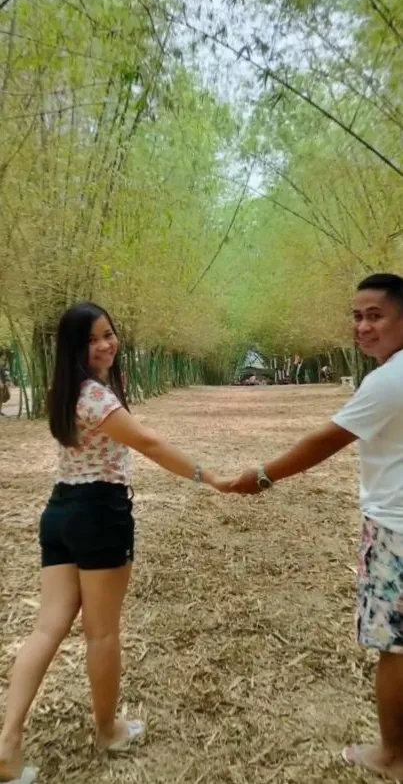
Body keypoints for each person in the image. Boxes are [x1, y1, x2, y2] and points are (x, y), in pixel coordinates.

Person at [0, 303, 230, 784]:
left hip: (60, 512)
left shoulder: (61, 392)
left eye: (109, 334)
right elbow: (148, 443)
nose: (106, 345)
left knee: (47, 630)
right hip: (100, 515)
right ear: (74, 349)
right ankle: (107, 731)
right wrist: (209, 477)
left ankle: (7, 742)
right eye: (93, 339)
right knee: (101, 633)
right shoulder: (97, 399)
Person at [230, 273, 403, 780]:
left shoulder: (387, 381)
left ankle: (392, 755)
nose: (363, 327)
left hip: (395, 530)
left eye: (375, 315)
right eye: (356, 316)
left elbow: (325, 441)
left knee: (393, 646)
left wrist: (260, 477)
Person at [0, 349, 12, 417]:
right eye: (2, 358)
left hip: (2, 384)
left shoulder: (2, 365)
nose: (3, 361)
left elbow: (4, 373)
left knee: (3, 397)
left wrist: (8, 381)